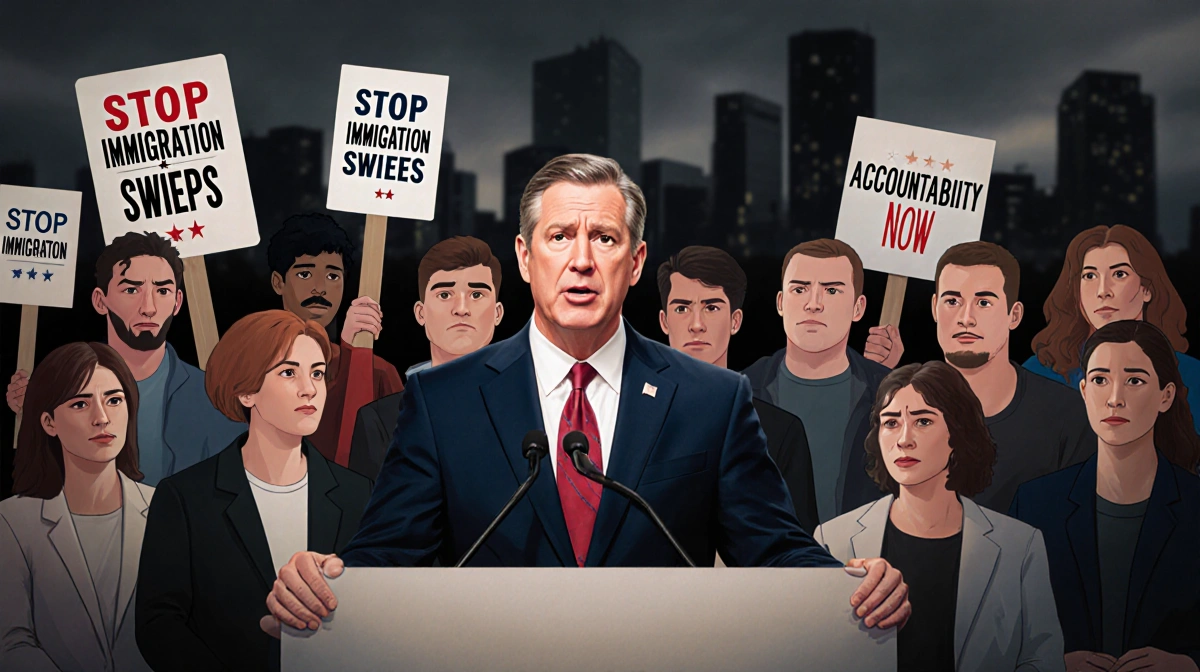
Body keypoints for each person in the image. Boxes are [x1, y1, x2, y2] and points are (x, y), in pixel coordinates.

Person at [264, 154, 911, 636]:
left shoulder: (711, 399)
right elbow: (384, 560)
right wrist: (319, 585)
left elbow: (773, 549)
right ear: (523, 257)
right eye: (558, 238)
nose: (581, 261)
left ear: (634, 262)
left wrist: (849, 586)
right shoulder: (444, 401)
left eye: (603, 238)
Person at [136, 310, 373, 672]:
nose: (309, 388)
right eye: (289, 372)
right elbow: (158, 624)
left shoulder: (358, 494)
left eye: (318, 373)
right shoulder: (184, 498)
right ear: (246, 389)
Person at [816, 361, 1064, 672]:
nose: (904, 439)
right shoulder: (833, 539)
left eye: (922, 421)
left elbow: (1043, 659)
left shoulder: (1020, 546)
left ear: (958, 432)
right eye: (891, 422)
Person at [1011, 321, 1200, 672]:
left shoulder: (1195, 507)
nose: (1115, 398)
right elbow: (1001, 631)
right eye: (1100, 380)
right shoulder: (1036, 505)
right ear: (1083, 391)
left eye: (1135, 380)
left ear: (1166, 396)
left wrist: (1188, 666)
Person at [5, 232, 244, 486]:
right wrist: (31, 410)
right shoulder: (64, 389)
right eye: (131, 289)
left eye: (162, 290)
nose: (149, 307)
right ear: (100, 300)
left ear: (177, 302)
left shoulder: (213, 400)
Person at [1, 342, 154, 671]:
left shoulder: (166, 508)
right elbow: (10, 641)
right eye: (81, 403)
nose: (102, 418)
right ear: (48, 422)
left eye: (114, 400)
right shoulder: (13, 521)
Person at [657, 245, 819, 533]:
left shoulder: (781, 432)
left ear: (735, 321)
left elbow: (799, 548)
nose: (696, 325)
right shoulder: (632, 422)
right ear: (664, 321)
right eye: (682, 308)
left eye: (711, 307)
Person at [932, 241, 1095, 512]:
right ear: (935, 308)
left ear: (1014, 315)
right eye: (952, 301)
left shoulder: (1069, 416)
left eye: (983, 302)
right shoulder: (900, 413)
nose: (966, 318)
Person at [742, 239, 894, 524]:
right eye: (799, 289)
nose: (813, 304)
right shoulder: (740, 393)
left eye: (832, 290)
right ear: (780, 302)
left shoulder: (889, 394)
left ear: (858, 307)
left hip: (863, 563)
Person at [349, 236, 505, 480]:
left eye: (476, 294)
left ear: (497, 313)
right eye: (445, 294)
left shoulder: (530, 409)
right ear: (420, 313)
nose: (461, 308)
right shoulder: (380, 420)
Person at [1025, 224, 1200, 434]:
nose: (1102, 291)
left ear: (1147, 289)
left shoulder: (1191, 376)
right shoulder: (1037, 375)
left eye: (1119, 274)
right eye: (1089, 276)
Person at [267, 213, 403, 465]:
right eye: (305, 274)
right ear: (278, 282)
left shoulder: (379, 373)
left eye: (333, 277)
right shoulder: (254, 366)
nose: (320, 288)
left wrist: (355, 354)